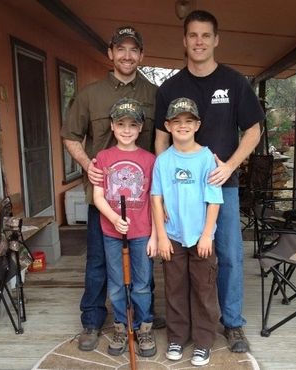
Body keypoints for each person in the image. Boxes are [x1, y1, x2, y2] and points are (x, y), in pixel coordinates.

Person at [154, 10, 265, 353]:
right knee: (180, 259)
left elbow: (254, 130)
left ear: (216, 40)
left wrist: (230, 166)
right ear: (184, 41)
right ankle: (185, 325)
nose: (199, 41)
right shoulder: (170, 88)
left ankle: (231, 323)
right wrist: (164, 187)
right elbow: (160, 139)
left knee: (228, 255)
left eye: (205, 35)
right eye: (193, 35)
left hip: (221, 188)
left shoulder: (234, 82)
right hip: (180, 190)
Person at [61, 25, 161, 352]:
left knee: (143, 263)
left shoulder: (155, 95)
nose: (127, 55)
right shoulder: (91, 94)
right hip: (101, 199)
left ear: (142, 55)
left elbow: (167, 139)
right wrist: (87, 164)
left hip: (142, 204)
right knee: (99, 263)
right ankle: (92, 320)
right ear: (111, 53)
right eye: (121, 49)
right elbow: (71, 136)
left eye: (134, 49)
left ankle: (143, 316)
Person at [151, 97, 223, 366]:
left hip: (201, 236)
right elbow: (156, 199)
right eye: (177, 121)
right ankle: (177, 338)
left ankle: (203, 342)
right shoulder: (163, 161)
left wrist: (207, 234)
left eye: (188, 121)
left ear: (197, 125)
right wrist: (160, 235)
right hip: (173, 237)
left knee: (204, 290)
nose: (183, 126)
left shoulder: (206, 157)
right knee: (175, 289)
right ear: (168, 125)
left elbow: (214, 199)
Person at [93, 97, 157, 357]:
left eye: (133, 124)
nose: (127, 130)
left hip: (142, 233)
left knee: (142, 283)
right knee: (117, 284)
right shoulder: (103, 156)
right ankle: (121, 325)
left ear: (141, 128)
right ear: (112, 126)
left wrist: (154, 236)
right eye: (121, 124)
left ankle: (144, 327)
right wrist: (114, 218)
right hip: (111, 233)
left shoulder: (150, 159)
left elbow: (155, 200)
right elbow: (98, 196)